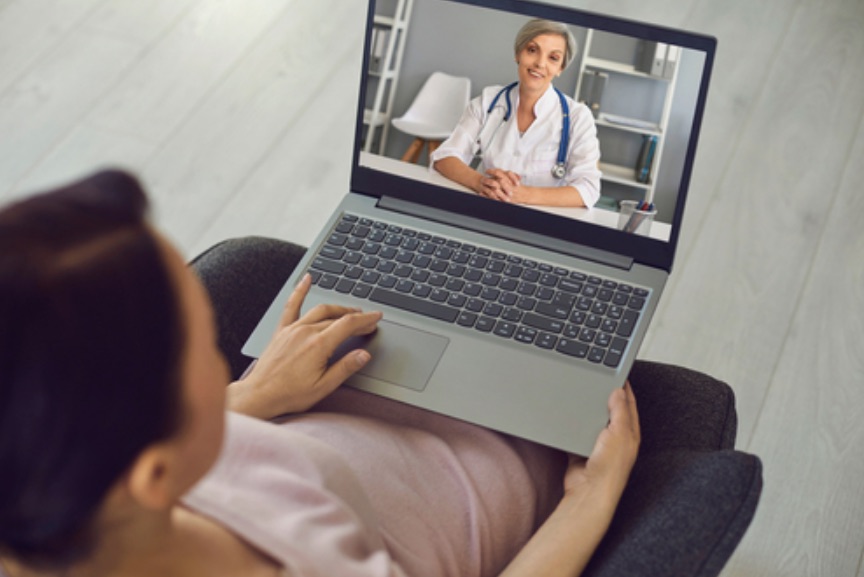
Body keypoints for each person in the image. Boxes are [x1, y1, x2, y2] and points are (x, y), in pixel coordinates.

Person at [0, 170, 638, 577]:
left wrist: (255, 392)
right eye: (203, 344)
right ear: (155, 474)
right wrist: (592, 500)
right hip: (483, 477)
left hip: (339, 431)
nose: (228, 356)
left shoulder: (59, 494)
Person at [431, 19, 602, 209]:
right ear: (517, 54)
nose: (540, 63)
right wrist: (481, 182)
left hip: (539, 223)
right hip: (483, 207)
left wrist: (524, 194)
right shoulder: (488, 101)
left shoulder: (578, 117)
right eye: (532, 50)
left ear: (560, 68)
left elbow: (588, 189)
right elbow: (444, 157)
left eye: (553, 58)